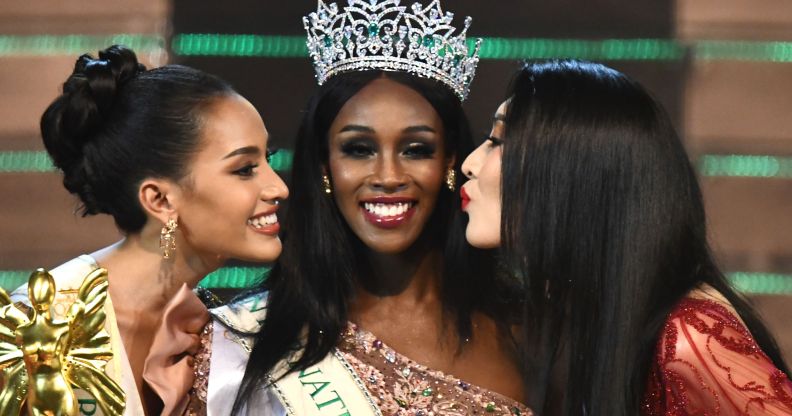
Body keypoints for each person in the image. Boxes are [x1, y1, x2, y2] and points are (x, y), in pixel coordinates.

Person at [209, 1, 531, 415]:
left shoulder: (529, 331)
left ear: (451, 161)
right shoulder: (248, 336)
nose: (388, 175)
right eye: (358, 150)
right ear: (325, 165)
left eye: (416, 149)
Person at [460, 59, 792, 415]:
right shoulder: (582, 316)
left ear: (572, 171)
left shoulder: (689, 334)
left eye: (497, 141)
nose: (470, 163)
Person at [10, 44, 288, 415]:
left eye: (266, 160)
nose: (278, 187)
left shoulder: (212, 334)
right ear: (159, 200)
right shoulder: (35, 330)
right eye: (244, 169)